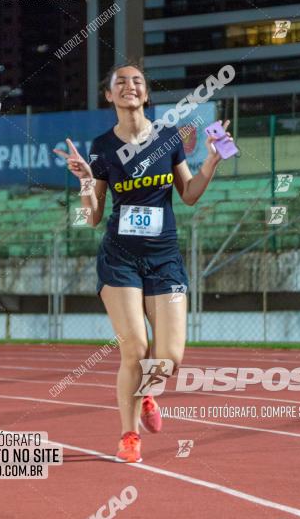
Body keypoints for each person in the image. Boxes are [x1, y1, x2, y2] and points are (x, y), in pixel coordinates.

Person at [54, 63, 233, 463]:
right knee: (135, 348)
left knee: (170, 357)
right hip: (120, 258)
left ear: (146, 95)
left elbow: (188, 194)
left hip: (164, 257)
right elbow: (93, 216)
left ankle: (148, 392)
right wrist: (85, 178)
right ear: (109, 96)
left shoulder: (168, 138)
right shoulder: (102, 148)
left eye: (137, 82)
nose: (129, 86)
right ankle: (129, 434)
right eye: (120, 82)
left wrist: (211, 162)